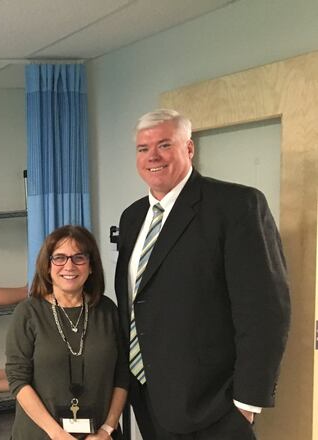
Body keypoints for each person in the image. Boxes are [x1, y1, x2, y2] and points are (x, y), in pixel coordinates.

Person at [116, 109, 290, 439]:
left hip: (215, 406)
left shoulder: (236, 205)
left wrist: (247, 402)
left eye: (165, 144)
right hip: (148, 397)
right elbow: (136, 303)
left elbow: (266, 310)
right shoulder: (132, 218)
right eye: (143, 148)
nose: (153, 156)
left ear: (189, 148)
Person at [6, 225, 128, 440]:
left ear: (91, 266)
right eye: (59, 258)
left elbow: (122, 374)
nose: (69, 266)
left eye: (79, 257)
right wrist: (57, 434)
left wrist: (107, 430)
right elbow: (18, 380)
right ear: (47, 266)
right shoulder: (28, 313)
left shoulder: (107, 310)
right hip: (41, 435)